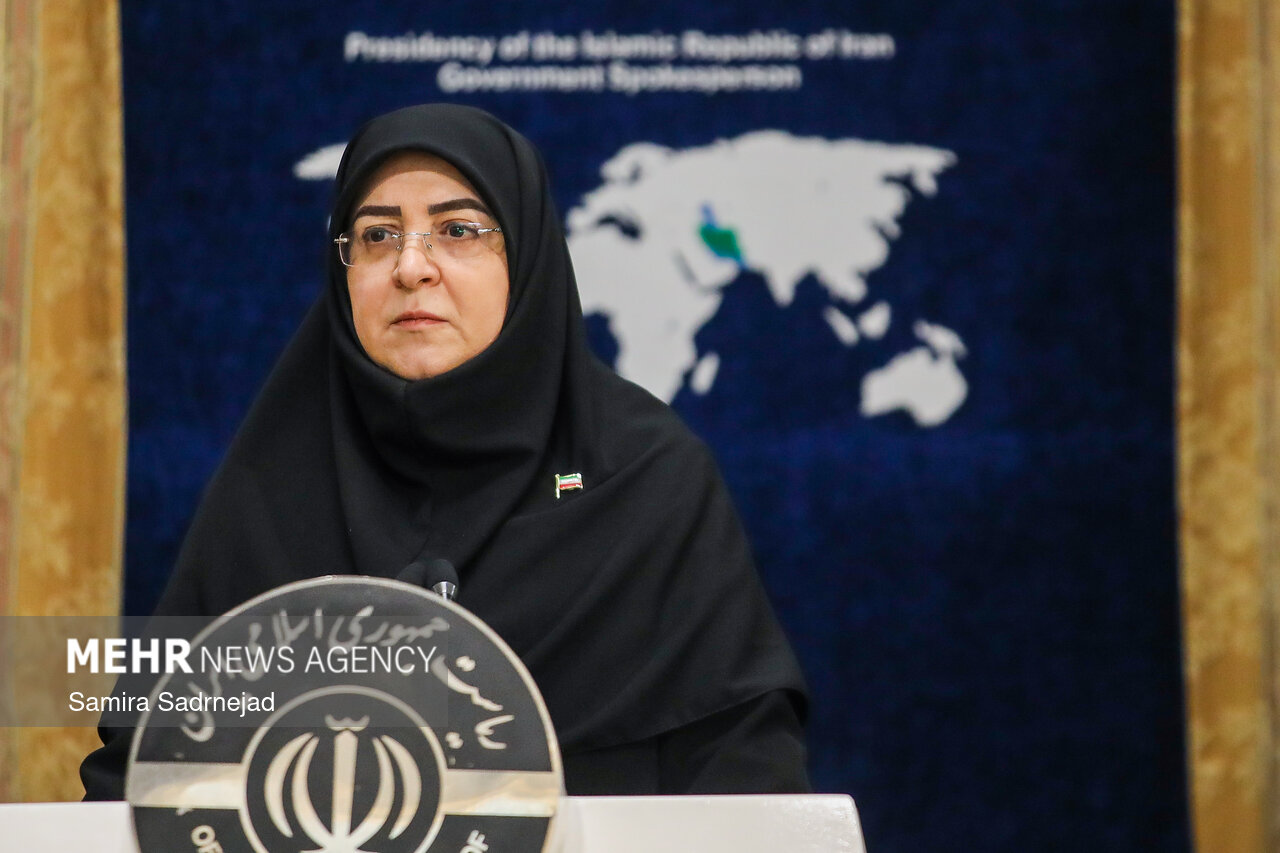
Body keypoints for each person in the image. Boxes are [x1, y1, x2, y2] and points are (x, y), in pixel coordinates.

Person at [81, 103, 809, 797]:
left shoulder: (645, 477)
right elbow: (145, 773)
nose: (410, 267)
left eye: (457, 230)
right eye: (376, 236)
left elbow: (745, 776)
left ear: (524, 257)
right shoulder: (272, 485)